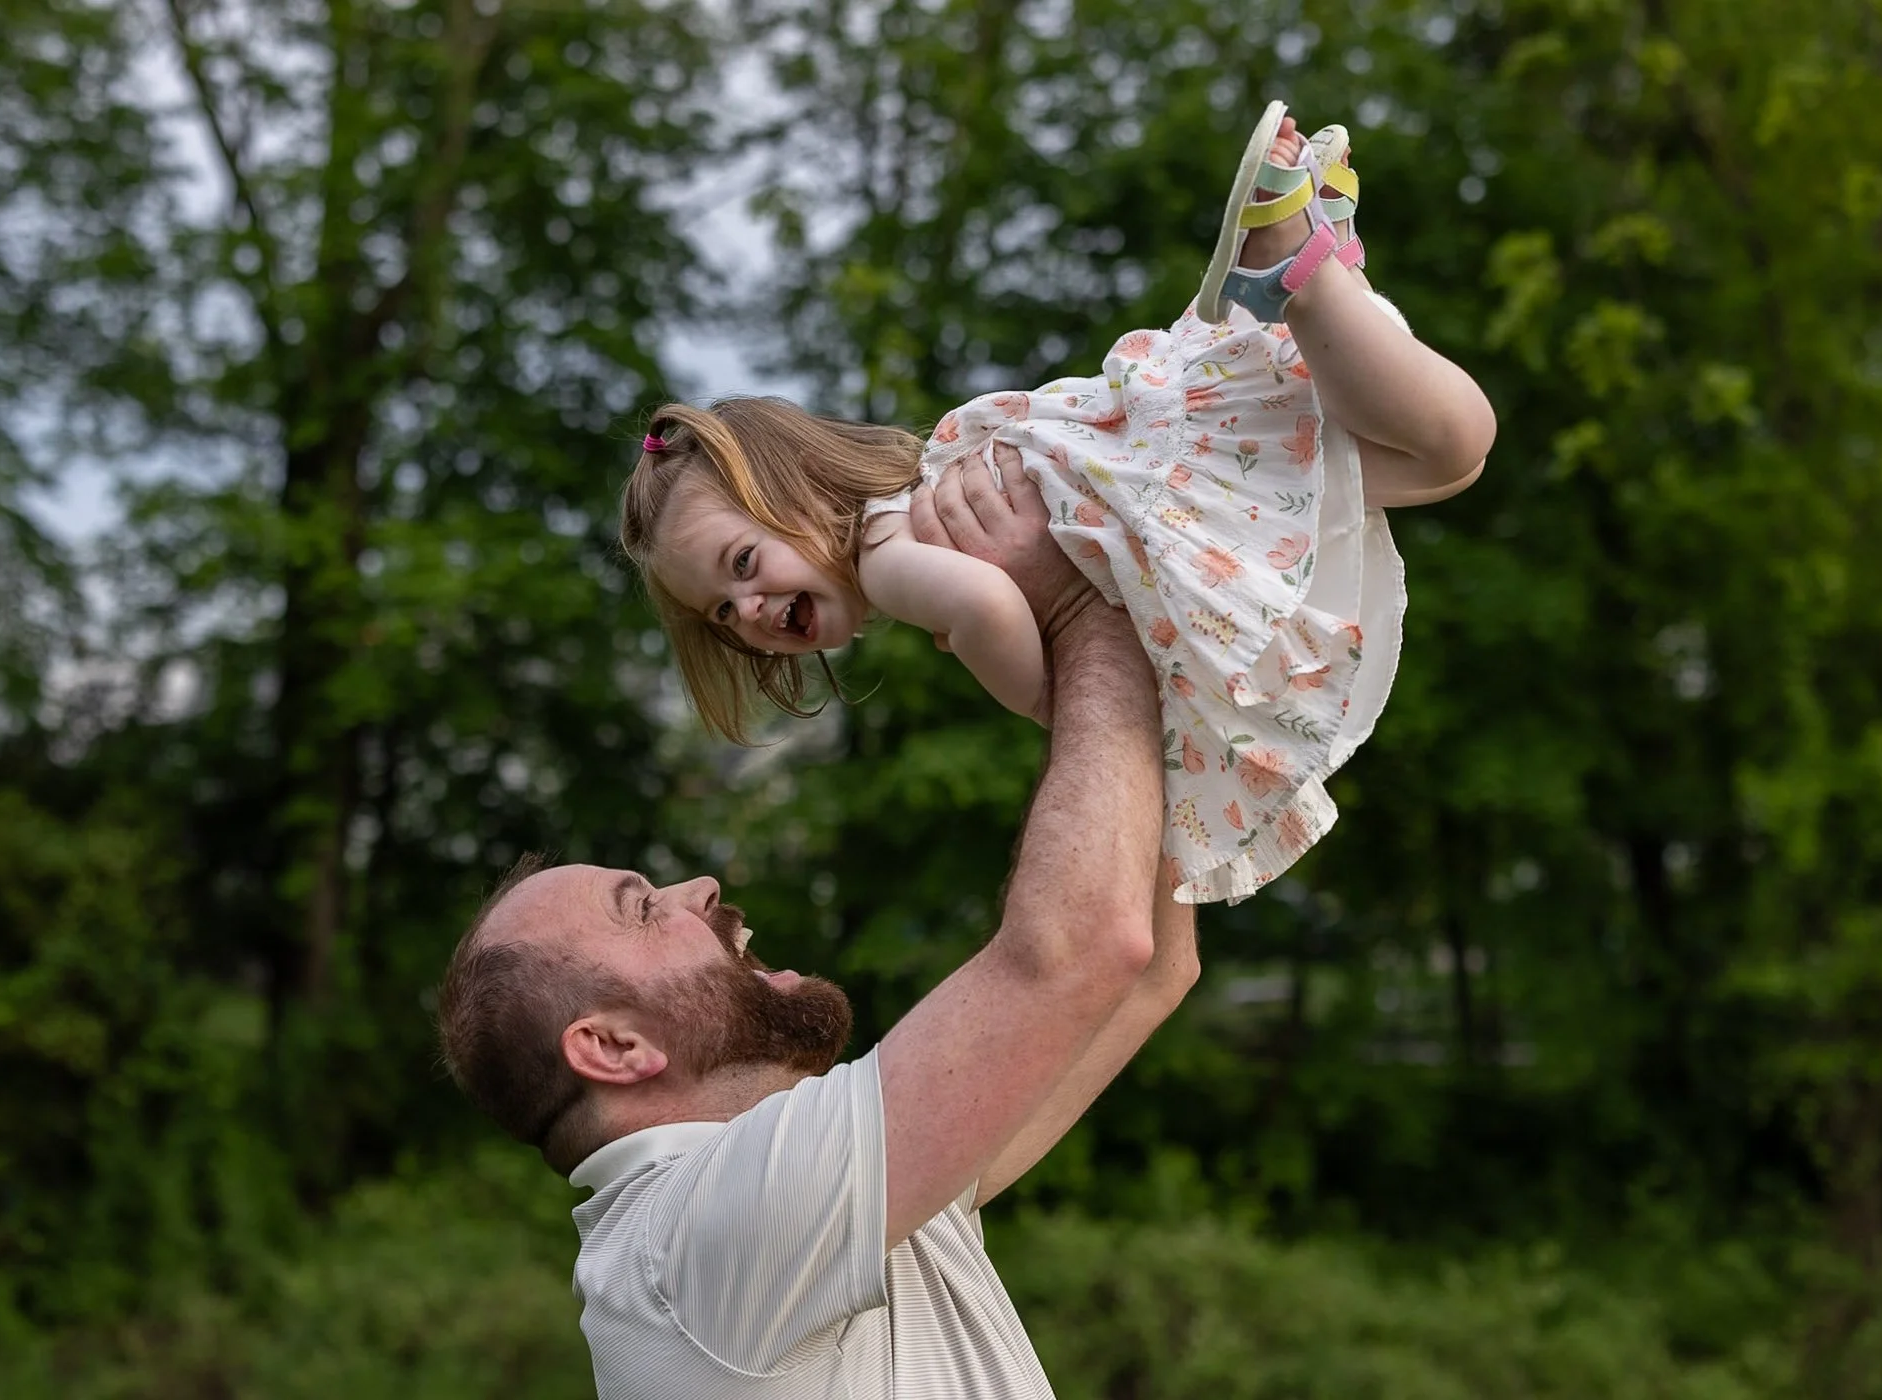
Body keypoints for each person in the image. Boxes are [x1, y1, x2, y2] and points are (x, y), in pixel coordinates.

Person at [438, 453, 1194, 1398]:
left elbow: (1152, 965)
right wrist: (1087, 607)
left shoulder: (809, 1221)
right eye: (642, 908)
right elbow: (1082, 950)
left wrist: (1168, 684)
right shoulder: (703, 1238)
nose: (701, 886)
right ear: (612, 1045)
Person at [619, 102, 1496, 903]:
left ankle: (1293, 273)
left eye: (743, 567)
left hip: (1154, 501)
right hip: (1156, 464)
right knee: (1451, 452)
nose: (749, 610)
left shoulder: (886, 560)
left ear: (795, 497)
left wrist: (1053, 707)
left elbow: (991, 606)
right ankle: (1311, 263)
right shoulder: (919, 490)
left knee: (1444, 447)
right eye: (723, 615)